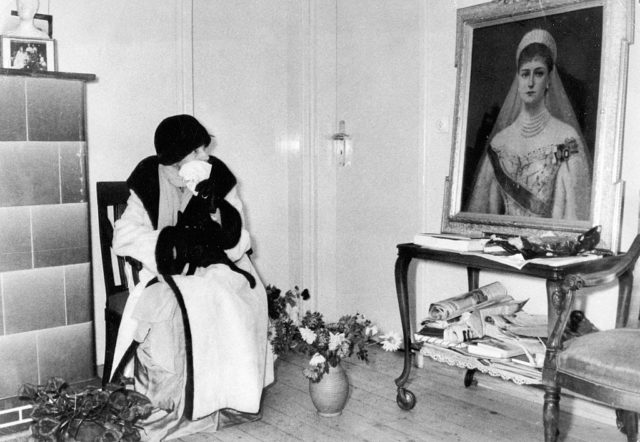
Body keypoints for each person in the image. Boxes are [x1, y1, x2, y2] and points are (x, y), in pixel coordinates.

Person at [110, 114, 274, 440]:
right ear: (176, 158)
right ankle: (167, 407)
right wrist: (171, 245)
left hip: (218, 267)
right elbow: (124, 236)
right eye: (198, 152)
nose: (206, 158)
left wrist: (216, 208)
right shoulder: (148, 178)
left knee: (228, 300)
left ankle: (227, 401)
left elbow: (240, 242)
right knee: (167, 306)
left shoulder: (218, 178)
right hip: (165, 271)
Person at [466, 29, 592, 220]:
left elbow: (576, 212)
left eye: (539, 73)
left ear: (549, 79)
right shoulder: (499, 143)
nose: (531, 82)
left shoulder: (567, 139)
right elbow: (479, 212)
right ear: (517, 79)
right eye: (525, 74)